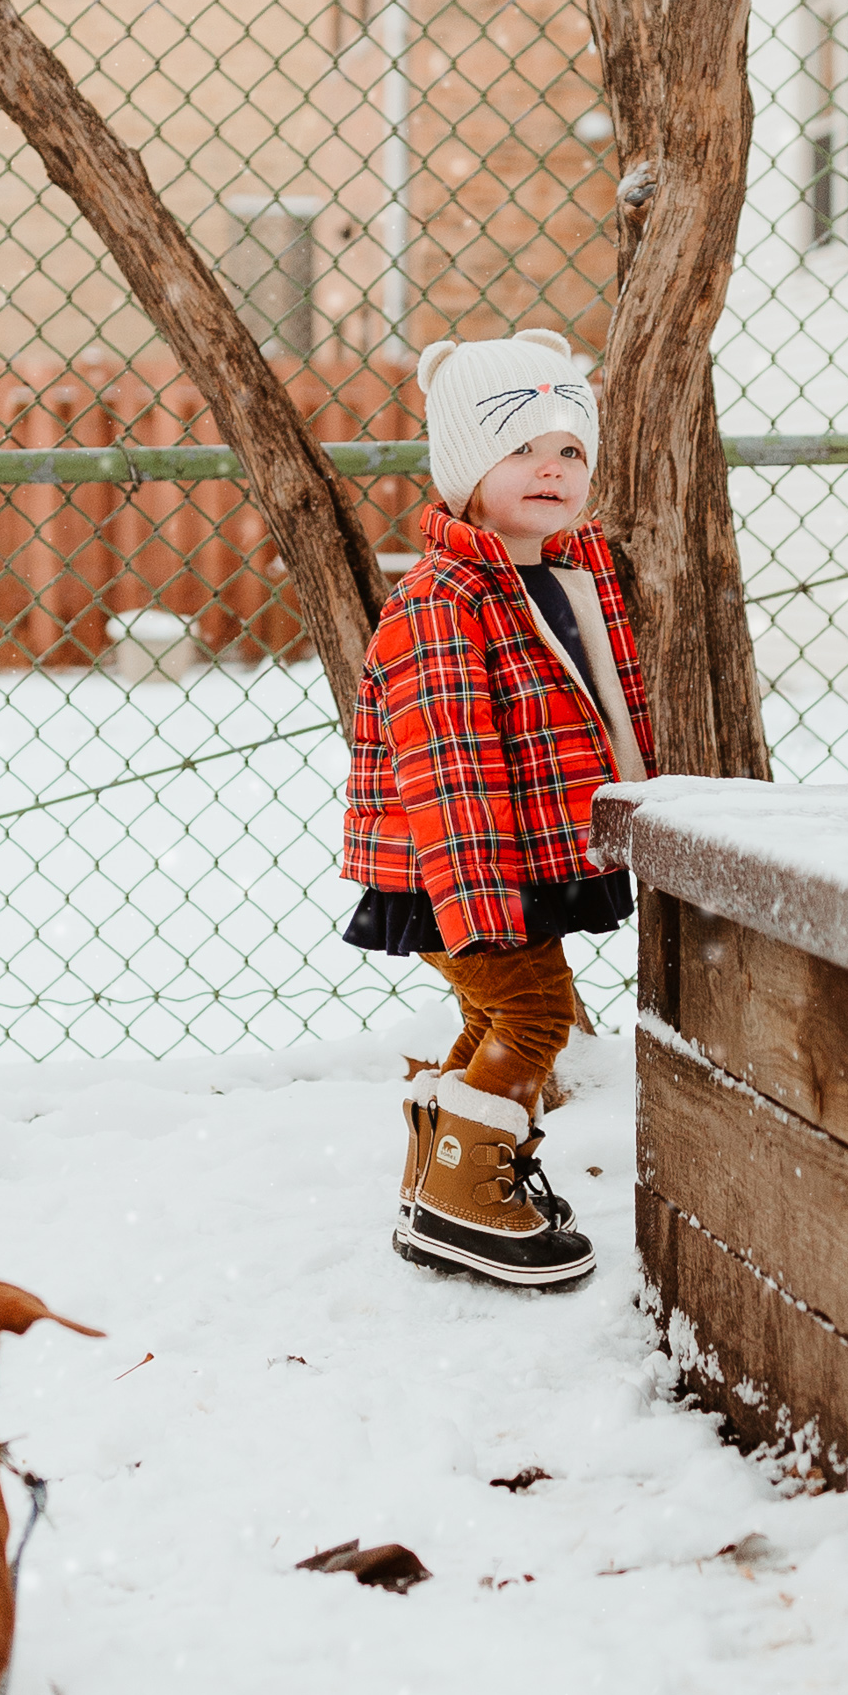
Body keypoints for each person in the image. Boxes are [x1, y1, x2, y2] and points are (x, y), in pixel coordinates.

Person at [341, 328, 656, 1291]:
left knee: (496, 1015)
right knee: (531, 1012)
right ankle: (472, 1198)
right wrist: (484, 900)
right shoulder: (443, 599)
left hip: (501, 861)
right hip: (456, 865)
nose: (551, 470)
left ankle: (438, 1184)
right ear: (465, 468)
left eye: (570, 451)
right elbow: (448, 766)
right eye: (519, 449)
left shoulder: (556, 576)